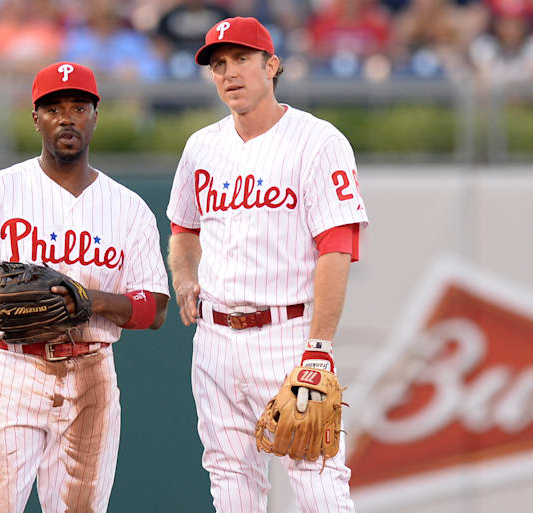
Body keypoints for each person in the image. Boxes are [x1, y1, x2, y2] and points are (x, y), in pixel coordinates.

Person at [0, 61, 170, 513]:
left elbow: (153, 308)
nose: (67, 118)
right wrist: (16, 294)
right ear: (35, 117)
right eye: (53, 107)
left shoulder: (129, 208)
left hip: (92, 374)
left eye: (78, 107)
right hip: (14, 368)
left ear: (95, 116)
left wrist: (88, 300)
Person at [166, 17, 368, 513]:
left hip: (287, 333)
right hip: (214, 340)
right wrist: (185, 276)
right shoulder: (201, 147)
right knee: (229, 479)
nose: (229, 73)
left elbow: (337, 248)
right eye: (218, 65)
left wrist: (319, 348)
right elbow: (183, 230)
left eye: (241, 60)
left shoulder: (318, 141)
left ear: (272, 65)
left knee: (319, 482)